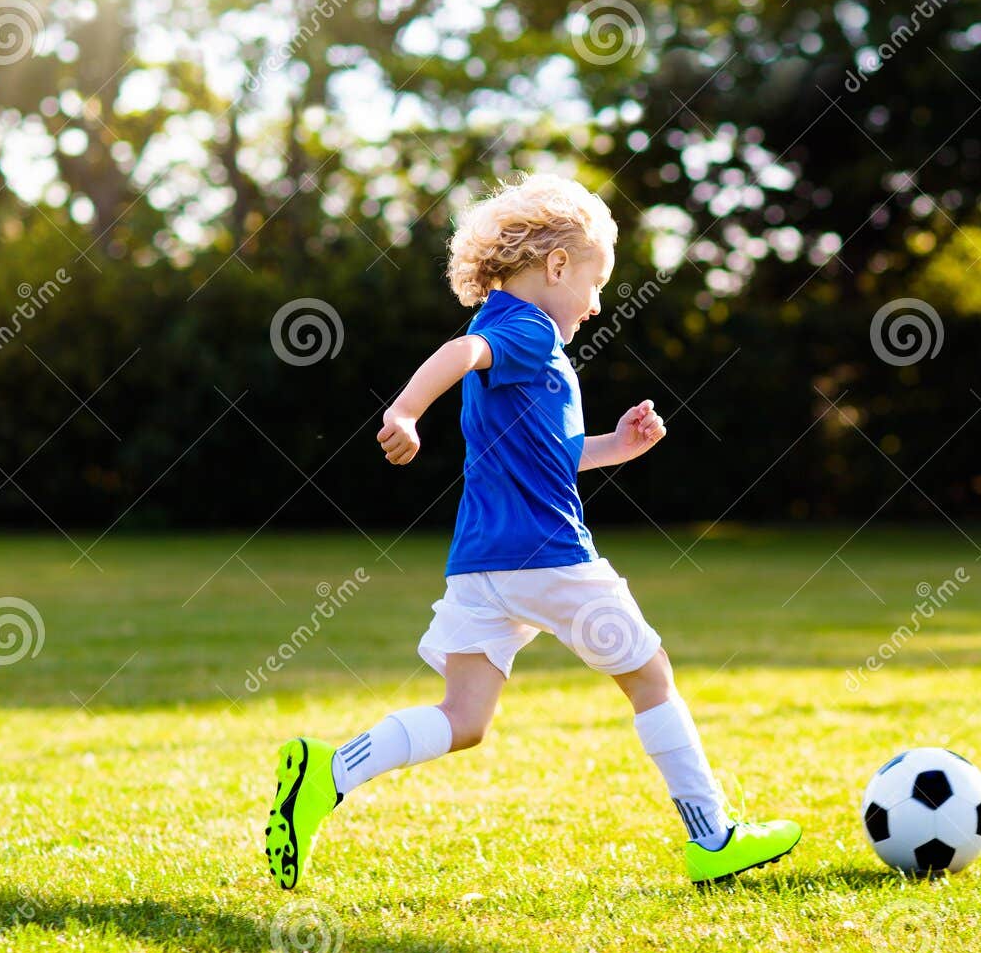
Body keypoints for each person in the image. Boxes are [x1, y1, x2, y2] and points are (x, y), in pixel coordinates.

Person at [263, 174, 801, 889]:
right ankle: (713, 838)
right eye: (596, 280)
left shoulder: (515, 335)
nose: (599, 301)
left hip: (481, 566)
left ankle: (326, 775)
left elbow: (553, 454)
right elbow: (459, 355)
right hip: (550, 558)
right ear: (555, 266)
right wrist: (405, 411)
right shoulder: (523, 328)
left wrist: (616, 444)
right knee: (651, 675)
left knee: (464, 717)